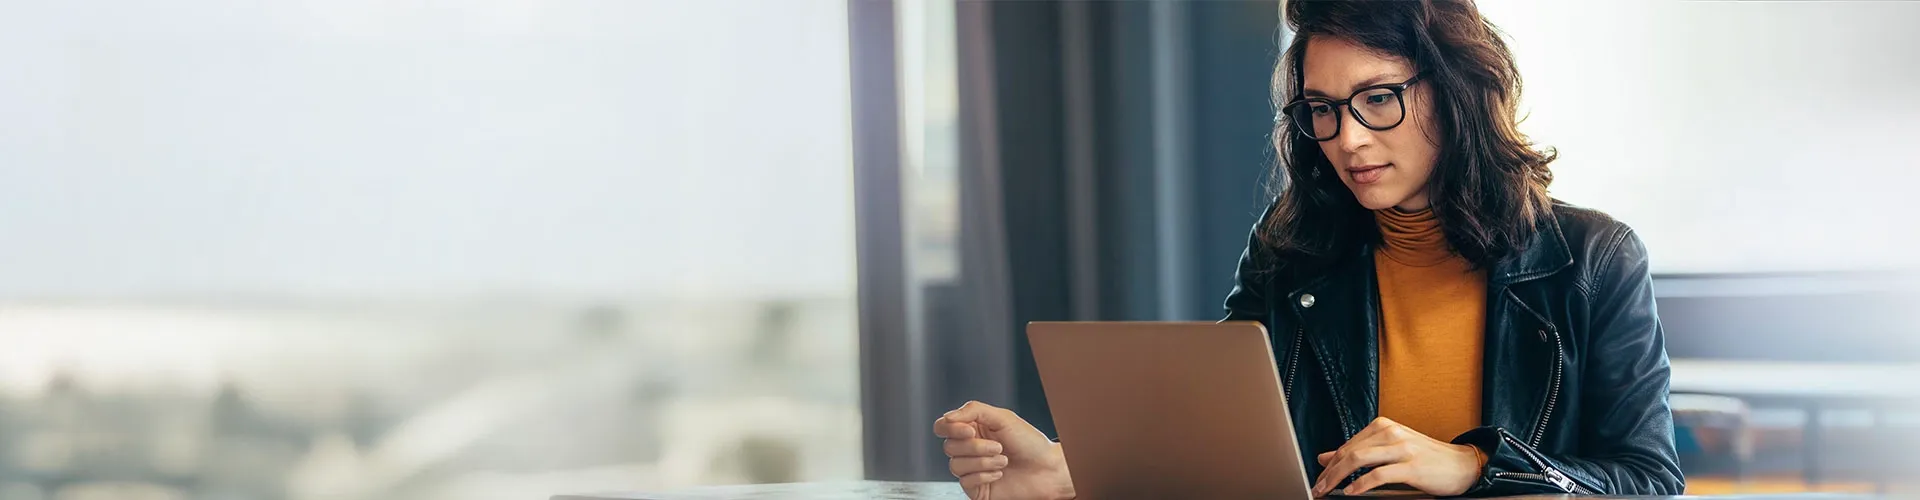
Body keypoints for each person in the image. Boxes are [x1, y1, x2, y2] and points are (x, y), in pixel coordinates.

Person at [931, 1, 1687, 498]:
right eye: (1322, 109)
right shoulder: (1293, 249)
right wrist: (1071, 471)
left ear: (1457, 91)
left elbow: (1650, 481)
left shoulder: (1592, 258)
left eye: (1379, 98)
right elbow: (1220, 444)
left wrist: (1476, 467)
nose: (1348, 139)